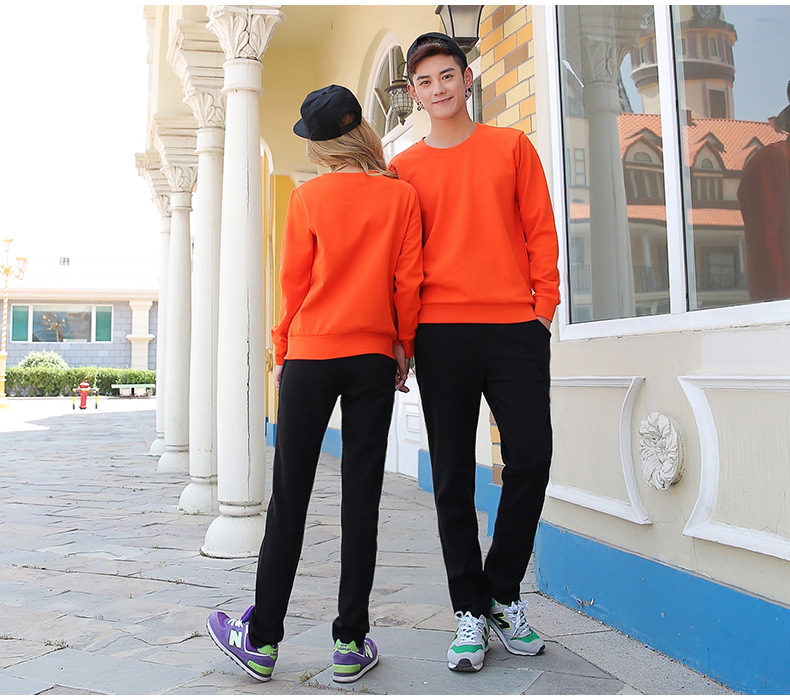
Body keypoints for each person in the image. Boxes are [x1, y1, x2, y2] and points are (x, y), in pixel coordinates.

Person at [206, 84, 423, 685]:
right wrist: (402, 346)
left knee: (289, 499)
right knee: (362, 500)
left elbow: (293, 285)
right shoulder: (401, 196)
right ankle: (350, 643)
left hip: (310, 355)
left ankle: (262, 640)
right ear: (362, 133)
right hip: (373, 356)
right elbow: (408, 282)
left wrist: (282, 351)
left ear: (323, 146)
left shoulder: (307, 198)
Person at [389, 33, 560, 673]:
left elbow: (540, 229)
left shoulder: (511, 147)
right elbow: (402, 262)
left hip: (515, 327)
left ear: (467, 79)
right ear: (414, 93)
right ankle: (469, 607)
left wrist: (543, 310)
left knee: (531, 459)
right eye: (424, 81)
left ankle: (501, 592)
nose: (438, 88)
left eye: (447, 75)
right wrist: (405, 340)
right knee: (453, 475)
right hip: (441, 334)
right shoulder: (404, 169)